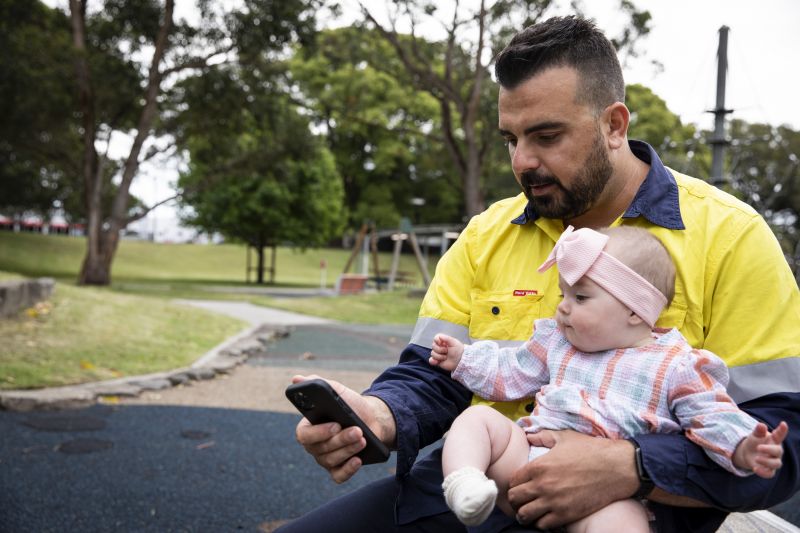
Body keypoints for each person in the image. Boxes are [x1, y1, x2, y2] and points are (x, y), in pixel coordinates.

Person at [280, 15, 800, 533]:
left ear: (614, 126)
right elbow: (433, 374)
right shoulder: (486, 234)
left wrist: (631, 466)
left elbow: (786, 431)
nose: (522, 161)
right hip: (484, 488)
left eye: (546, 135)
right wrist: (378, 415)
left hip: (636, 510)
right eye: (510, 139)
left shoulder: (729, 236)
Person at [430, 225, 788, 530]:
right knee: (478, 420)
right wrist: (464, 358)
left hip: (601, 496)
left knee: (623, 522)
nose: (563, 306)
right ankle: (466, 484)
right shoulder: (557, 341)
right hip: (524, 461)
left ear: (635, 311)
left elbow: (710, 416)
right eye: (563, 294)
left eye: (581, 297)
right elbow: (510, 371)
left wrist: (743, 446)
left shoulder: (676, 366)